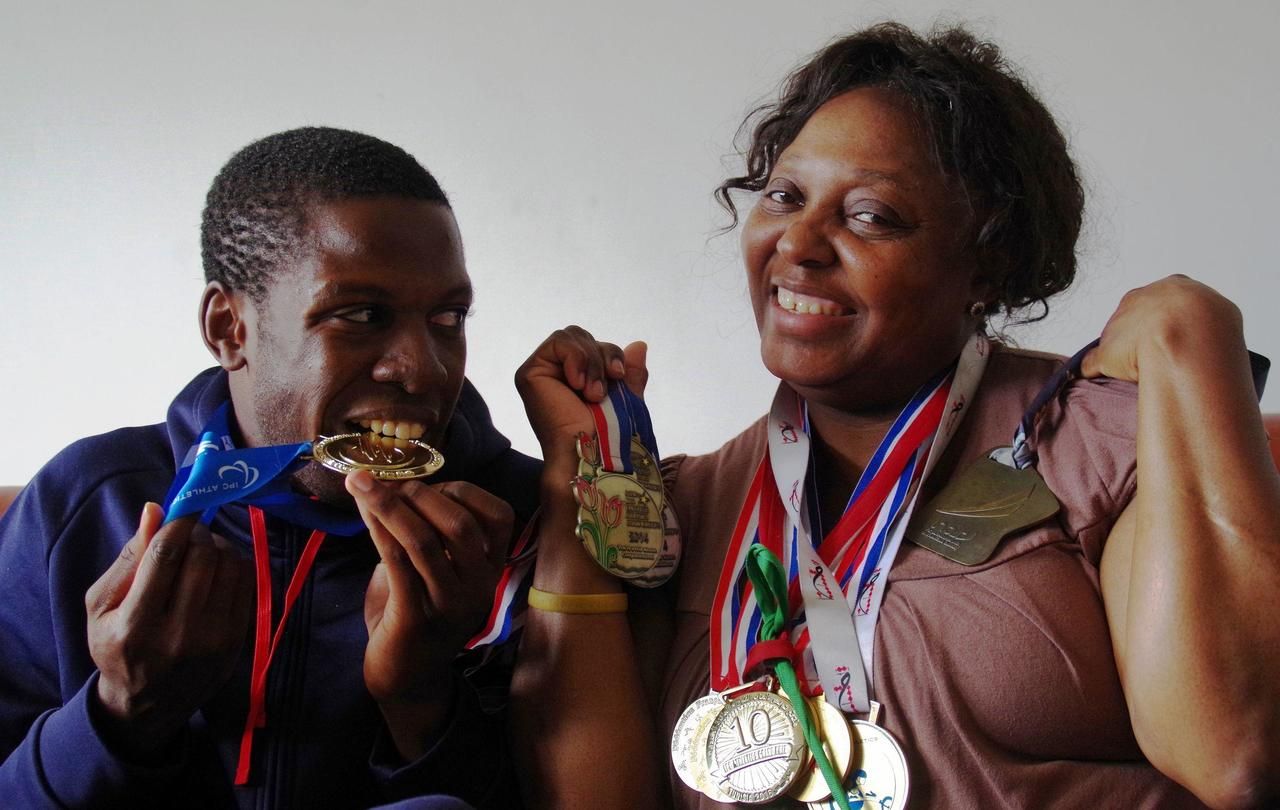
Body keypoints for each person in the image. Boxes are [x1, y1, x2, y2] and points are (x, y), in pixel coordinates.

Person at [509, 23, 1280, 810]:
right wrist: (578, 485)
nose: (800, 244)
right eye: (784, 196)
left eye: (871, 215)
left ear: (988, 261)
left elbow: (1235, 759)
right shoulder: (678, 510)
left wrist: (1188, 329)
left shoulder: (1098, 445)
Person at [0, 127, 539, 808]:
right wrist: (119, 712)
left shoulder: (518, 522)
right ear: (230, 328)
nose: (423, 369)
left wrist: (421, 699)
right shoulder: (85, 504)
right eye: (363, 315)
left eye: (447, 317)